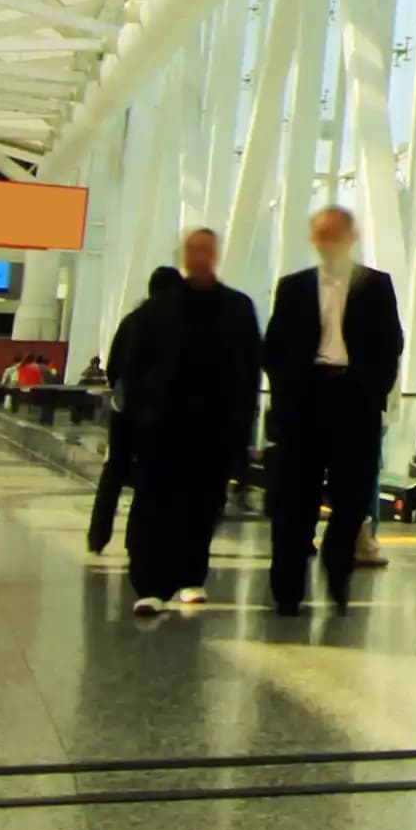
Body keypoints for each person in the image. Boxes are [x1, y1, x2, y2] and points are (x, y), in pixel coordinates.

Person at [262, 206, 404, 616]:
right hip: (305, 401)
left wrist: (372, 388)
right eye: (322, 237)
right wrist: (288, 389)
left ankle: (337, 566)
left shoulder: (376, 286)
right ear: (314, 241)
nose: (329, 244)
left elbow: (390, 342)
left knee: (353, 496)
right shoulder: (293, 288)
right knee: (294, 500)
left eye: (336, 236)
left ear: (351, 238)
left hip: (353, 402)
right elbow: (274, 347)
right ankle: (288, 589)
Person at [122, 227, 260, 615]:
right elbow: (135, 369)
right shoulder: (157, 310)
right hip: (163, 426)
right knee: (156, 505)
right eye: (194, 250)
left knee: (203, 505)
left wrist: (241, 427)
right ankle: (150, 584)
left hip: (213, 427)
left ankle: (190, 577)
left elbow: (250, 370)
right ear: (185, 255)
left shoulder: (237, 308)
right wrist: (138, 419)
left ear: (214, 255)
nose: (200, 256)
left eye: (206, 250)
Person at [87, 266, 178, 560]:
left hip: (124, 410)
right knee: (151, 475)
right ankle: (136, 541)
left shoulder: (132, 321)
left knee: (115, 470)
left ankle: (97, 535)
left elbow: (113, 368)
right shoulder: (176, 325)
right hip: (158, 413)